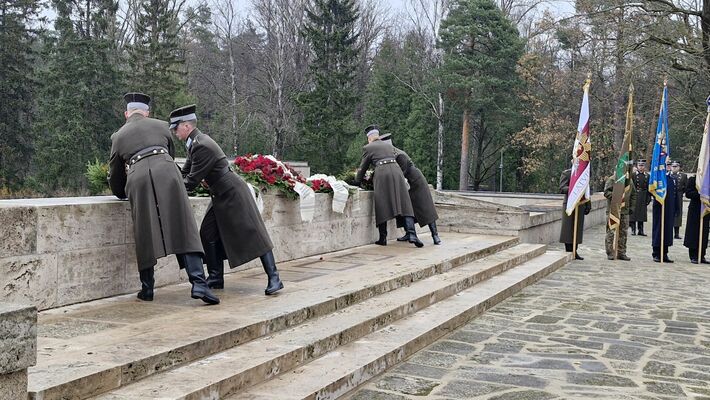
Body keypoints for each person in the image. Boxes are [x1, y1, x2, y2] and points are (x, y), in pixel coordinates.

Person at [108, 93, 219, 305]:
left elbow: (116, 175)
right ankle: (198, 283)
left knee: (145, 230)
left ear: (126, 114)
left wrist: (121, 193)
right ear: (147, 113)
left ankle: (147, 289)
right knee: (183, 225)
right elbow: (170, 152)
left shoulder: (118, 136)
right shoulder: (161, 126)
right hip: (167, 172)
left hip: (138, 178)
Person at [170, 105, 284, 295]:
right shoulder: (194, 143)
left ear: (186, 126)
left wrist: (167, 184)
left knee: (255, 233)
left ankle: (275, 278)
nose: (174, 132)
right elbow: (184, 173)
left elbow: (190, 181)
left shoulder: (201, 145)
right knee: (208, 234)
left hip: (232, 192)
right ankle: (215, 277)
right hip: (220, 194)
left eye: (176, 127)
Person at [355, 125, 423, 247]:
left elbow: (363, 167)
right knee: (404, 203)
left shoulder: (368, 147)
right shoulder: (389, 145)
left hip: (382, 172)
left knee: (382, 203)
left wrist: (357, 181)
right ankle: (412, 234)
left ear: (369, 138)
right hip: (397, 172)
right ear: (378, 136)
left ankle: (383, 238)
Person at [379, 133, 441, 245]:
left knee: (426, 208)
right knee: (405, 209)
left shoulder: (398, 155)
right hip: (406, 184)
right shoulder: (392, 154)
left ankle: (435, 235)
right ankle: (409, 233)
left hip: (416, 182)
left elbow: (401, 172)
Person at [559, 163, 591, 260]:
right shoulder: (567, 173)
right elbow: (562, 188)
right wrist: (574, 189)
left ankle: (575, 250)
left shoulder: (584, 175)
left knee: (577, 229)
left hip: (580, 205)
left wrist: (588, 204)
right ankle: (568, 250)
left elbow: (586, 191)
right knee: (568, 229)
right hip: (569, 204)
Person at [603, 172, 635, 261]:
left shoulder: (629, 181)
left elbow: (633, 195)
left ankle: (621, 252)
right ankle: (610, 252)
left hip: (625, 211)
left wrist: (632, 207)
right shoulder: (612, 179)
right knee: (611, 232)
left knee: (623, 232)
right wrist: (617, 196)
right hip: (613, 210)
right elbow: (606, 192)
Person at [651, 169, 679, 263]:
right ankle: (656, 253)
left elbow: (675, 195)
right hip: (660, 208)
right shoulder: (658, 178)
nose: (669, 167)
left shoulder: (671, 179)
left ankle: (664, 253)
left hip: (669, 208)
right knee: (658, 229)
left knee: (667, 231)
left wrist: (676, 208)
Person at [683, 175, 710, 264]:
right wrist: (701, 195)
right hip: (695, 210)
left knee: (704, 233)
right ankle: (693, 255)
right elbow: (688, 193)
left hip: (706, 209)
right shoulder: (693, 179)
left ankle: (702, 255)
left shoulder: (708, 179)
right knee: (693, 233)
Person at [630, 160, 651, 236]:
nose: (641, 167)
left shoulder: (647, 176)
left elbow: (649, 188)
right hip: (635, 195)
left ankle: (640, 230)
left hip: (643, 195)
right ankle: (633, 229)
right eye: (639, 165)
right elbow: (630, 187)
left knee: (641, 214)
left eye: (642, 165)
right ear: (637, 166)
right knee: (633, 214)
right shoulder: (633, 175)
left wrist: (648, 198)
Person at [669, 161, 688, 239]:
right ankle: (669, 232)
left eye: (676, 166)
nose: (674, 168)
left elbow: (685, 187)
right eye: (673, 166)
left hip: (678, 197)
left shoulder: (683, 176)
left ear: (679, 167)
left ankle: (676, 233)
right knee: (669, 214)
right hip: (669, 197)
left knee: (678, 215)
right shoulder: (668, 175)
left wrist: (680, 193)